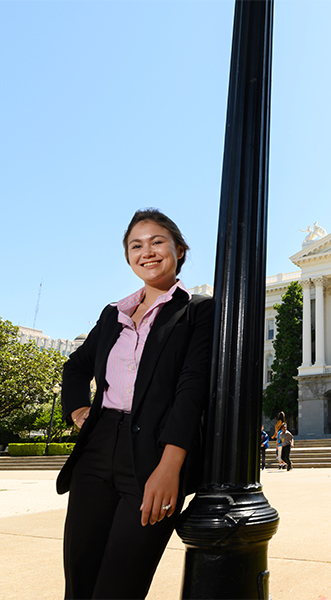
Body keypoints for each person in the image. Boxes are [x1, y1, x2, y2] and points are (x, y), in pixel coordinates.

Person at [56, 208, 214, 599]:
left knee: (120, 587)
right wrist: (80, 413)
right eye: (136, 245)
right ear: (128, 256)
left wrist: (170, 466)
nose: (147, 252)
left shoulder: (198, 311)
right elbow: (75, 369)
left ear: (179, 249)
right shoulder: (113, 314)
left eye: (157, 241)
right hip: (96, 452)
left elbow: (191, 390)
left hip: (153, 457)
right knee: (79, 583)